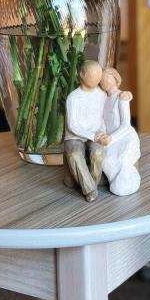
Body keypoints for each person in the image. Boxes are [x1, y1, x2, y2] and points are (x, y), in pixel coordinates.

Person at [63, 60, 107, 201]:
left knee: (98, 153)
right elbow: (73, 126)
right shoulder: (73, 98)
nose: (97, 79)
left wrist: (102, 133)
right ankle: (90, 190)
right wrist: (92, 136)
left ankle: (89, 183)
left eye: (99, 75)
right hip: (75, 136)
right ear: (82, 75)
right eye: (93, 75)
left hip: (96, 134)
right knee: (75, 154)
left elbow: (104, 117)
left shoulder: (102, 95)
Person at [98, 67, 141, 196]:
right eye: (101, 80)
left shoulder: (122, 96)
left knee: (121, 159)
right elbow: (105, 123)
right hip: (110, 139)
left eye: (107, 77)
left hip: (123, 137)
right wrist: (103, 135)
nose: (103, 81)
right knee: (106, 160)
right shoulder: (105, 100)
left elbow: (126, 125)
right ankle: (115, 183)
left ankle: (128, 182)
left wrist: (111, 138)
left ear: (115, 78)